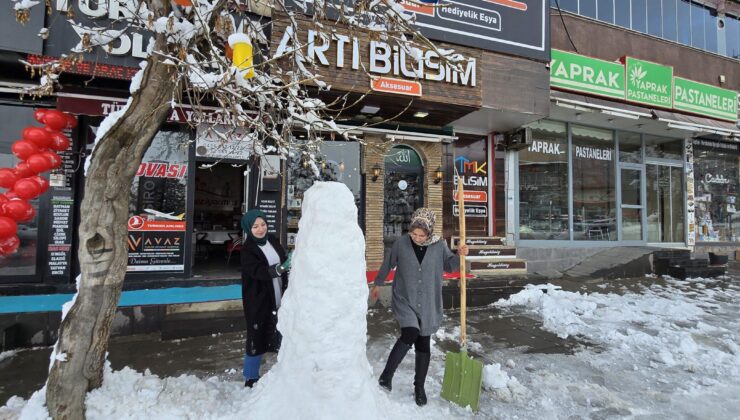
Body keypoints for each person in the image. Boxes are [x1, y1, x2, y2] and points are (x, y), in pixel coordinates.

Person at [370, 208, 468, 406]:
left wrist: (461, 255)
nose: (416, 238)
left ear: (429, 233)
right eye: (414, 234)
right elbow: (388, 263)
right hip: (405, 298)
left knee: (423, 342)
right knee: (410, 333)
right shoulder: (401, 244)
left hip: (429, 303)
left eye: (421, 235)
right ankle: (387, 375)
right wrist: (378, 284)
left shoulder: (440, 246)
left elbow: (451, 266)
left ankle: (419, 387)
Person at [240, 209, 292, 387]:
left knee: (281, 331)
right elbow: (258, 272)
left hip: (278, 293)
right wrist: (280, 268)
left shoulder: (272, 240)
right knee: (257, 335)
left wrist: (290, 263)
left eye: (263, 225)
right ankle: (250, 377)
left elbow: (283, 258)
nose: (260, 229)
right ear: (248, 228)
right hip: (259, 299)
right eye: (255, 226)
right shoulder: (247, 250)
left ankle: (286, 369)